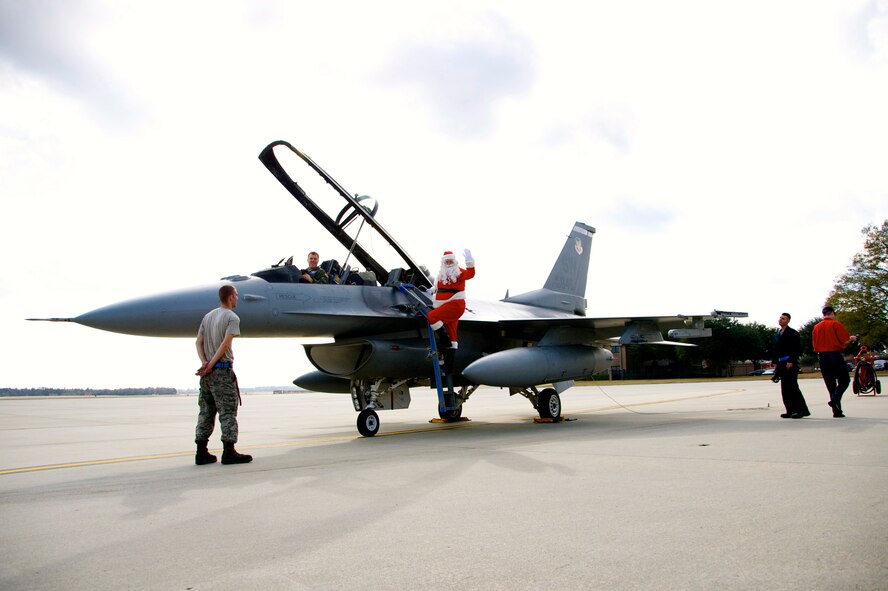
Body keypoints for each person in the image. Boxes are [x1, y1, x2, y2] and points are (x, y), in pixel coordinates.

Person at [194, 284, 252, 465]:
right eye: (236, 295)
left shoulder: (208, 316)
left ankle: (201, 453)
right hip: (221, 372)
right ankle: (229, 452)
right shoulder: (232, 318)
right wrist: (211, 365)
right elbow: (225, 345)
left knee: (206, 412)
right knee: (227, 412)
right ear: (230, 297)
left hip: (207, 375)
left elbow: (198, 342)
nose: (237, 298)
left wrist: (204, 363)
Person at [426, 249, 475, 375]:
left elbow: (471, 274)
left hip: (454, 304)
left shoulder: (459, 273)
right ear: (443, 262)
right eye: (446, 261)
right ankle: (447, 369)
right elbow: (438, 287)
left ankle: (444, 341)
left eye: (450, 261)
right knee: (453, 337)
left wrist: (469, 261)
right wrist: (432, 290)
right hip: (444, 305)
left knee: (432, 317)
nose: (448, 263)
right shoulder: (441, 275)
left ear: (454, 261)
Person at [812, 305, 858, 418]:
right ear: (832, 313)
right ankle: (835, 399)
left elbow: (814, 343)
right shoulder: (835, 323)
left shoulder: (816, 327)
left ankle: (836, 411)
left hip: (822, 357)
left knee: (830, 384)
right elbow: (844, 338)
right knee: (844, 380)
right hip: (834, 355)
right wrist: (852, 338)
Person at [773, 312, 810, 419]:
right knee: (785, 388)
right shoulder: (778, 333)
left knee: (792, 387)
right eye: (780, 318)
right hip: (781, 364)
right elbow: (776, 350)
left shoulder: (793, 333)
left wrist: (791, 361)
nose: (781, 320)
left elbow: (795, 349)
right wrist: (775, 363)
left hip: (790, 363)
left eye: (783, 318)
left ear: (788, 320)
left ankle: (801, 410)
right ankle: (790, 410)